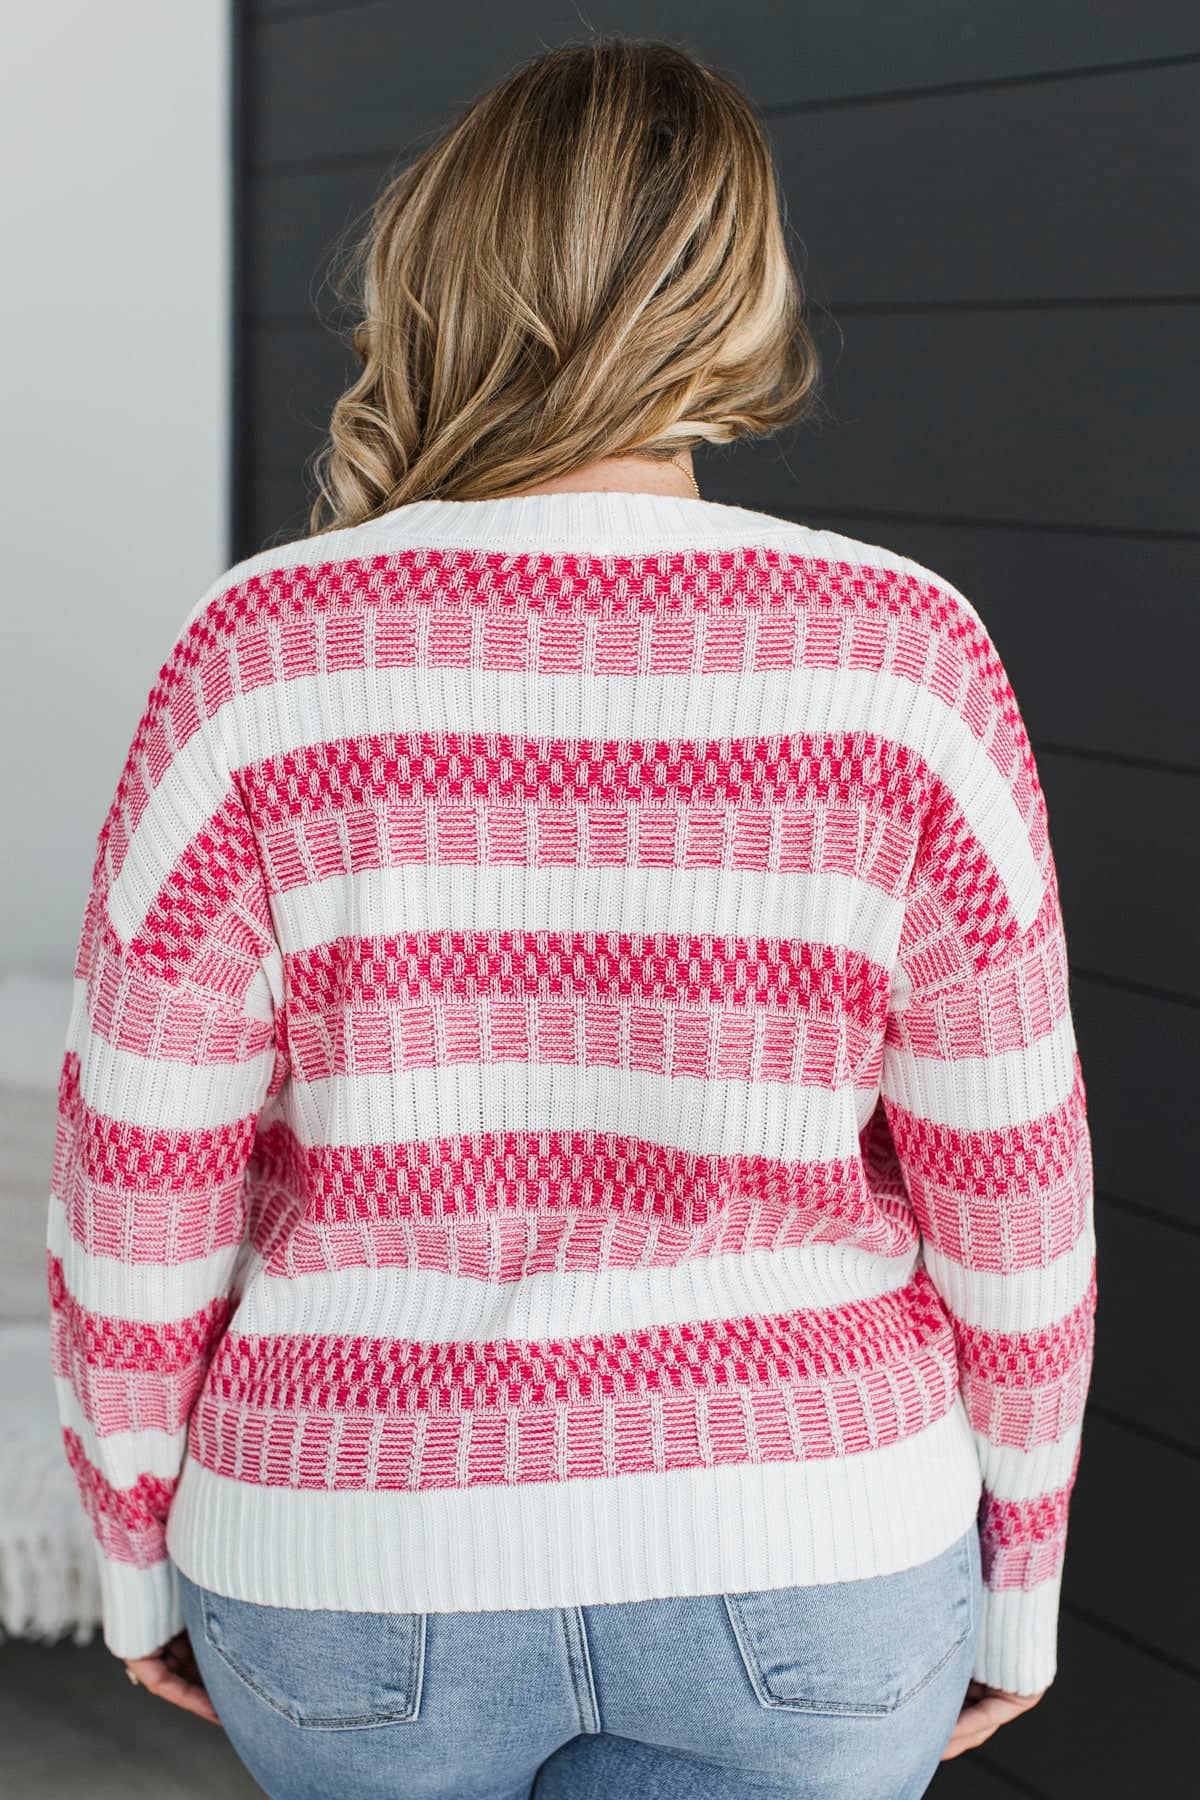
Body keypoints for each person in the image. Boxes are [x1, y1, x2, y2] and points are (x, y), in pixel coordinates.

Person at [47, 33, 1095, 1800]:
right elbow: (1013, 1185)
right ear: (740, 298)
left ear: (438, 273)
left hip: (351, 1560)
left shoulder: (259, 655)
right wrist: (1025, 1584)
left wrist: (136, 1551)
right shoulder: (906, 654)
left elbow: (138, 1176)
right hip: (808, 1542)